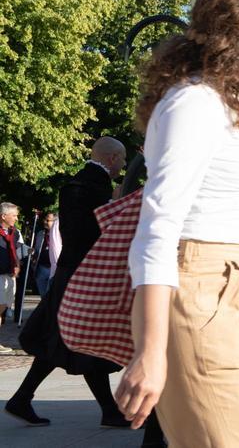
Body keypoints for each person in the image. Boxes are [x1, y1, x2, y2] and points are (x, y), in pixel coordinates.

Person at [114, 0, 239, 446]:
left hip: (223, 296)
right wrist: (151, 351)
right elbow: (157, 225)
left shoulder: (222, 105)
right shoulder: (194, 103)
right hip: (199, 296)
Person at [7, 137, 128, 427]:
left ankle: (24, 398)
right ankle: (107, 412)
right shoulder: (92, 187)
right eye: (122, 160)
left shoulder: (81, 184)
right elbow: (94, 233)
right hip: (84, 276)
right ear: (111, 158)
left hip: (72, 274)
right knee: (73, 342)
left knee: (70, 342)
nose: (123, 166)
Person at [0, 202, 22, 330]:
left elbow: (16, 251)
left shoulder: (15, 233)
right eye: (14, 215)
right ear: (3, 216)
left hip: (11, 275)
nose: (16, 218)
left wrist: (18, 265)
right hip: (0, 275)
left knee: (4, 307)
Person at [31, 212, 60, 297]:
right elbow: (36, 250)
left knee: (50, 296)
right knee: (43, 297)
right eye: (44, 219)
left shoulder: (59, 234)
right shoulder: (40, 234)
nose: (45, 222)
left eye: (48, 220)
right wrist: (33, 252)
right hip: (41, 269)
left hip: (54, 269)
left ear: (55, 222)